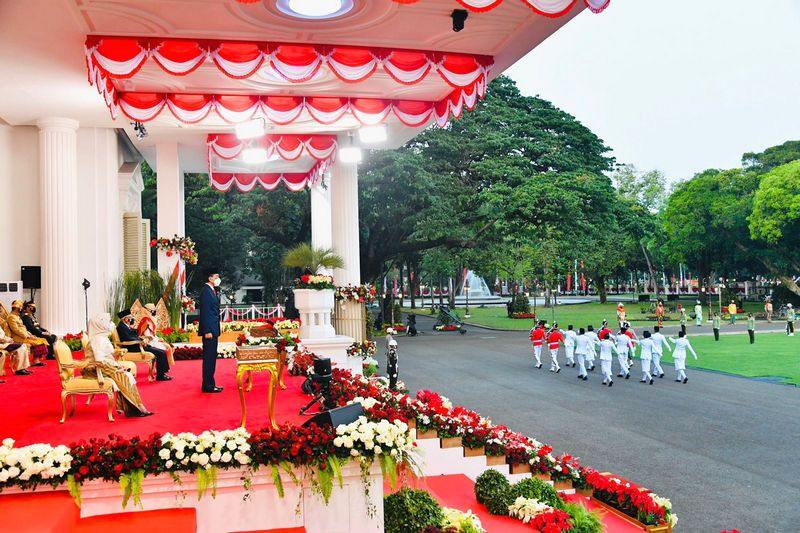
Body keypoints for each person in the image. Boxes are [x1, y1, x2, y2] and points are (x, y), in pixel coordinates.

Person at [85, 313, 152, 417]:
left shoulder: (102, 337)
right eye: (105, 322)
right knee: (124, 376)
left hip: (105, 366)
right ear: (99, 325)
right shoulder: (97, 340)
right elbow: (99, 361)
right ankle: (135, 408)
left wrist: (117, 366)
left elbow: (108, 357)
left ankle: (138, 405)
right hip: (96, 368)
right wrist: (116, 368)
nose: (109, 324)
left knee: (128, 375)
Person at [116, 309, 171, 381]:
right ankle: (161, 376)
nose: (131, 319)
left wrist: (142, 339)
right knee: (161, 353)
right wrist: (140, 341)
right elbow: (127, 339)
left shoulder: (125, 326)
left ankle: (162, 374)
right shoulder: (121, 327)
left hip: (137, 345)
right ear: (125, 319)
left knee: (162, 352)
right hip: (133, 347)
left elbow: (133, 336)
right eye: (129, 318)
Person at [199, 267, 223, 393]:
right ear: (210, 278)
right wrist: (207, 330)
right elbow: (205, 312)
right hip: (210, 331)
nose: (218, 279)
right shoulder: (206, 291)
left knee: (212, 358)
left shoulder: (212, 290)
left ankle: (210, 383)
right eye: (216, 277)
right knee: (209, 358)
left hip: (213, 329)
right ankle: (208, 386)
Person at [6, 300, 48, 366]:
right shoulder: (11, 317)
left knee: (41, 340)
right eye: (21, 307)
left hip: (23, 335)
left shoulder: (17, 316)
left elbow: (23, 328)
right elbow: (16, 330)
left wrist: (30, 334)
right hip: (17, 337)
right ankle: (34, 361)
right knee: (38, 342)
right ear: (17, 308)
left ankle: (36, 360)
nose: (22, 309)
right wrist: (27, 336)